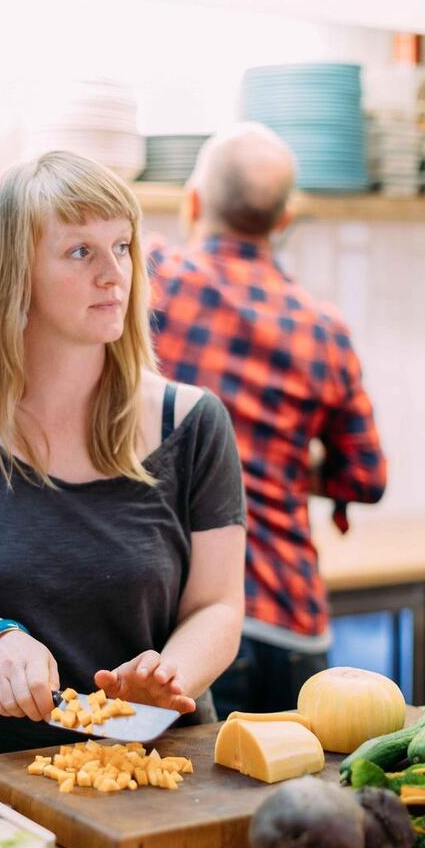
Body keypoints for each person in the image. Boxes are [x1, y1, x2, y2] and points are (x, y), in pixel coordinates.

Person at [0, 151, 246, 768]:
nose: (114, 275)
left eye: (122, 246)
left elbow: (218, 607)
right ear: (16, 275)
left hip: (151, 763)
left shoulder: (194, 423)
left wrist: (163, 683)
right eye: (80, 252)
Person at [148, 123, 387, 716]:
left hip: (190, 627)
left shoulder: (155, 281)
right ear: (284, 221)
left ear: (193, 201)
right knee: (300, 805)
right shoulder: (323, 327)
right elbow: (366, 477)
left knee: (195, 805)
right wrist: (284, 465)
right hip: (292, 621)